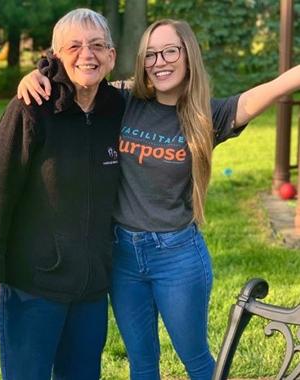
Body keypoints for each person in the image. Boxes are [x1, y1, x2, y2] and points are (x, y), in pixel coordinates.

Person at [18, 17, 300, 380]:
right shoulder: (122, 100)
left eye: (170, 51)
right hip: (122, 256)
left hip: (177, 256)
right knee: (142, 362)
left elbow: (278, 86)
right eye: (150, 54)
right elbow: (80, 72)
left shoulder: (209, 115)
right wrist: (34, 75)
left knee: (195, 358)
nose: (159, 61)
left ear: (187, 56)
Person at [0, 8, 125, 380]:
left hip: (91, 289)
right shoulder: (31, 107)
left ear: (112, 56)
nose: (88, 55)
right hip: (32, 286)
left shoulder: (120, 109)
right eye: (75, 46)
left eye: (98, 46)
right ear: (55, 55)